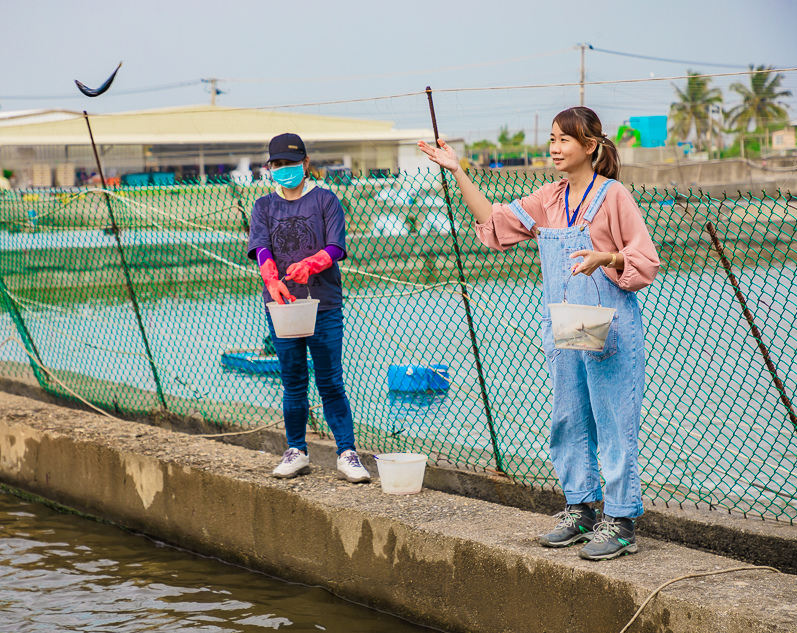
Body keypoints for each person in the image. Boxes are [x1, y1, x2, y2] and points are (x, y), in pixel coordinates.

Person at [418, 107, 660, 560]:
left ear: (590, 146)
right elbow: (493, 223)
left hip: (611, 325)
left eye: (565, 140)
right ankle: (580, 508)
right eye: (552, 139)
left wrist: (606, 259)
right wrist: (457, 172)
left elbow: (645, 260)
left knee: (613, 421)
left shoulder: (614, 196)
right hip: (565, 323)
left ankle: (622, 518)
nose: (554, 148)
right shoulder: (548, 198)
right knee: (568, 417)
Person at [247, 132, 371, 484]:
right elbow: (260, 247)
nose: (285, 169)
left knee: (331, 380)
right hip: (282, 306)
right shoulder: (264, 206)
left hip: (324, 303)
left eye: (291, 163)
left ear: (305, 164)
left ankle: (347, 453)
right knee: (293, 381)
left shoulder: (326, 200)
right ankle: (296, 450)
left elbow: (336, 247)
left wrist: (312, 264)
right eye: (278, 164)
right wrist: (271, 276)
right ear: (270, 168)